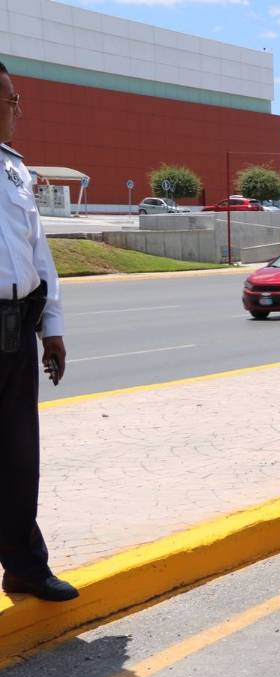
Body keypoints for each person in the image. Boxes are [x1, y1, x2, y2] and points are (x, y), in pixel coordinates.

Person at [0, 62, 77, 601]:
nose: (17, 110)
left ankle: (25, 566)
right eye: (11, 100)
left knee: (18, 455)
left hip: (14, 328)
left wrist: (52, 326)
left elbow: (38, 254)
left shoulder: (15, 170)